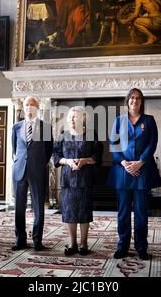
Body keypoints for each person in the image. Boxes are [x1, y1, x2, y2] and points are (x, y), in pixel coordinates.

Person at [107, 88, 161, 260]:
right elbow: (113, 145)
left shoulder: (149, 120)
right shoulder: (118, 121)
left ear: (141, 101)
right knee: (123, 211)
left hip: (142, 171)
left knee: (141, 211)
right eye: (132, 97)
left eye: (138, 98)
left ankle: (141, 247)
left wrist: (140, 162)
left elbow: (152, 144)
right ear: (127, 101)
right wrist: (124, 162)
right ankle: (122, 246)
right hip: (122, 172)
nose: (134, 100)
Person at [53, 107, 103, 256]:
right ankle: (72, 243)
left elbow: (98, 156)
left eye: (75, 117)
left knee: (84, 211)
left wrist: (85, 161)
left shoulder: (91, 135)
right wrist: (68, 161)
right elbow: (56, 156)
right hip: (68, 179)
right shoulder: (63, 135)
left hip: (85, 179)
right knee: (69, 212)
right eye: (70, 117)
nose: (72, 120)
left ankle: (84, 243)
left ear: (83, 119)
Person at [11, 96, 53, 251]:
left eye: (32, 105)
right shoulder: (16, 127)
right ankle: (20, 240)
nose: (29, 108)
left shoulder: (46, 127)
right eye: (27, 105)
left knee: (38, 207)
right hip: (20, 170)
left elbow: (49, 150)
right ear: (23, 107)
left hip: (37, 171)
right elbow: (15, 149)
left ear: (37, 108)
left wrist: (39, 164)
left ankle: (37, 241)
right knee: (19, 207)